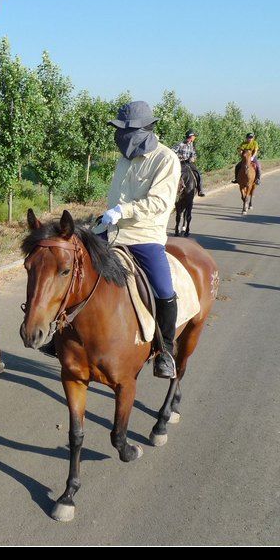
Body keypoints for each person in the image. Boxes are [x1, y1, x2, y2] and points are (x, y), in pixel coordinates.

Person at [98, 101, 181, 379]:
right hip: (111, 231)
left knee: (163, 290)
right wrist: (109, 215)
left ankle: (166, 351)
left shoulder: (166, 159)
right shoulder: (124, 158)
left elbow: (159, 202)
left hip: (144, 235)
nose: (120, 136)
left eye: (125, 130)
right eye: (118, 130)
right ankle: (61, 335)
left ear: (144, 129)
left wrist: (124, 211)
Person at [172, 129, 206, 197]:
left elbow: (194, 153)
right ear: (191, 136)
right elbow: (172, 151)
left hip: (189, 163)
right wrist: (179, 156)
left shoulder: (192, 144)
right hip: (180, 163)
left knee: (198, 173)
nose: (195, 138)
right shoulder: (180, 144)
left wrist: (193, 157)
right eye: (194, 136)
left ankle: (200, 190)